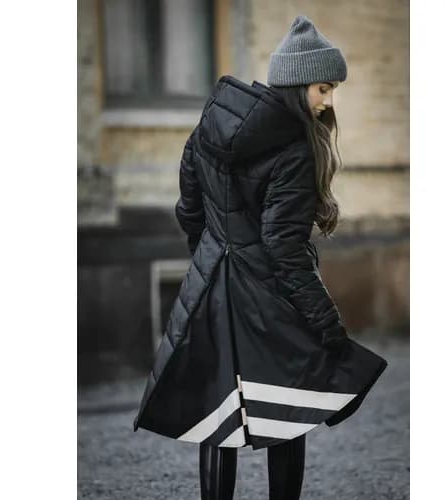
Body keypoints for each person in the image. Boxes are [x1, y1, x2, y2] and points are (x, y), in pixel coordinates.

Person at [133, 15, 387, 500]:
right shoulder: (294, 148)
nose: (328, 102)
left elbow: (189, 210)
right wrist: (327, 323)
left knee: (215, 410)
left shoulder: (208, 127)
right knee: (289, 406)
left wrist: (209, 261)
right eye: (323, 89)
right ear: (296, 84)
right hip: (268, 299)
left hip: (211, 289)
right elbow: (283, 247)